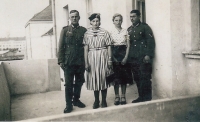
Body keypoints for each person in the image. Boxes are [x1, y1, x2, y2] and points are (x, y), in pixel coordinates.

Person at [57, 10, 87, 113]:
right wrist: (61, 61)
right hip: (68, 62)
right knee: (68, 84)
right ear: (70, 18)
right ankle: (68, 105)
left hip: (80, 61)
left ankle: (76, 100)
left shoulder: (84, 30)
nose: (74, 18)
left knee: (79, 82)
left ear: (79, 18)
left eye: (76, 16)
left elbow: (86, 47)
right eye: (72, 17)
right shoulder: (65, 30)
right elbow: (61, 46)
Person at [83, 13, 113, 109]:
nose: (95, 23)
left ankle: (104, 100)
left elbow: (109, 46)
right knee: (94, 78)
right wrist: (86, 62)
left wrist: (109, 59)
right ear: (90, 22)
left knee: (103, 78)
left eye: (97, 21)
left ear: (100, 21)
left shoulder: (105, 32)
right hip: (92, 57)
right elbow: (85, 49)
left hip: (103, 55)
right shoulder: (87, 33)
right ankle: (96, 100)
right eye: (93, 21)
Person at [127, 10, 155, 103]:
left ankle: (147, 97)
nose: (132, 18)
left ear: (139, 16)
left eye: (134, 16)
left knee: (145, 77)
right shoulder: (129, 29)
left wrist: (148, 55)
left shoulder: (145, 27)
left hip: (143, 57)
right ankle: (141, 97)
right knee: (137, 78)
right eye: (130, 16)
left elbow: (150, 42)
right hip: (133, 58)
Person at [109, 13, 133, 105]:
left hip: (123, 53)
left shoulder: (125, 31)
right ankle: (116, 96)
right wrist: (113, 58)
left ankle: (123, 95)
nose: (118, 22)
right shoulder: (110, 32)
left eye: (120, 20)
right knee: (116, 78)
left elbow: (128, 45)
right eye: (116, 20)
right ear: (113, 21)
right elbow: (110, 46)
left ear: (122, 21)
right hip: (115, 53)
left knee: (124, 77)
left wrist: (126, 57)